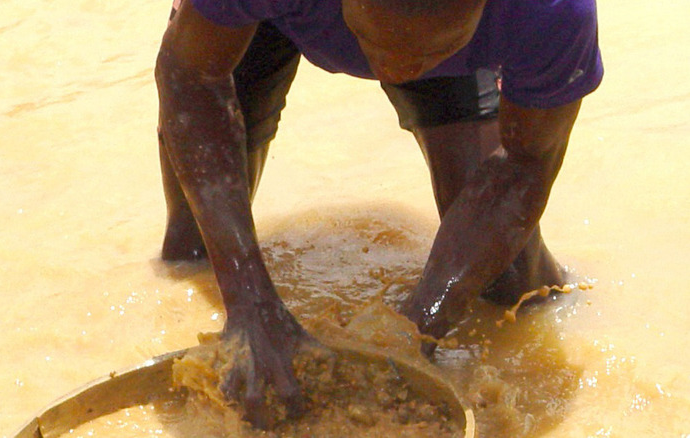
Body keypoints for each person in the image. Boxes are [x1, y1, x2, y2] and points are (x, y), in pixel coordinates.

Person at [154, 0, 603, 428]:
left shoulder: (552, 12)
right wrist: (248, 301)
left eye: (423, 52)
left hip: (441, 43)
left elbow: (526, 161)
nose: (390, 71)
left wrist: (414, 332)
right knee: (193, 248)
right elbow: (189, 75)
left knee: (511, 279)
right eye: (376, 45)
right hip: (263, 19)